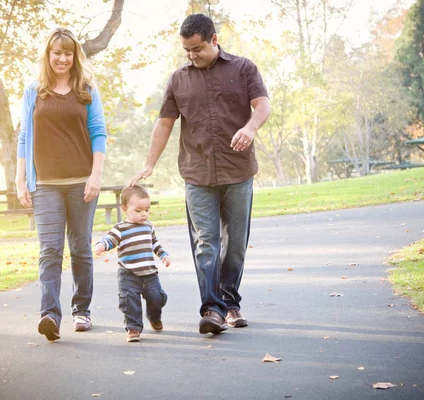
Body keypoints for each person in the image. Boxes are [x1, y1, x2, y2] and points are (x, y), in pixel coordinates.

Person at [129, 14, 270, 334]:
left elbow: (262, 105)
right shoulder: (179, 79)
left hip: (238, 171)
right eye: (187, 51)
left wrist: (250, 127)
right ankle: (212, 309)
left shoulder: (243, 68)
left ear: (214, 40)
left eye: (197, 48)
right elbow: (164, 122)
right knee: (206, 242)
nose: (192, 55)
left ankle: (230, 304)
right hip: (197, 174)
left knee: (234, 244)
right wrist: (150, 163)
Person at [16, 27, 107, 341]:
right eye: (57, 52)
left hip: (82, 182)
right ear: (48, 54)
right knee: (50, 251)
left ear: (75, 56)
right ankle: (50, 316)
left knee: (81, 249)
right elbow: (24, 137)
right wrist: (20, 180)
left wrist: (96, 176)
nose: (62, 58)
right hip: (45, 185)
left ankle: (81, 311)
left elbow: (99, 133)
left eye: (68, 53)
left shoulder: (86, 89)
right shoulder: (34, 91)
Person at [94, 185, 170, 342]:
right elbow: (110, 240)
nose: (144, 214)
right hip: (128, 273)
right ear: (125, 209)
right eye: (138, 210)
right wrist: (101, 245)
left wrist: (163, 255)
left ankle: (154, 317)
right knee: (129, 301)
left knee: (156, 299)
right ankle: (133, 328)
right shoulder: (120, 228)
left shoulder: (149, 226)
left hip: (149, 273)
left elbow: (154, 243)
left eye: (147, 210)